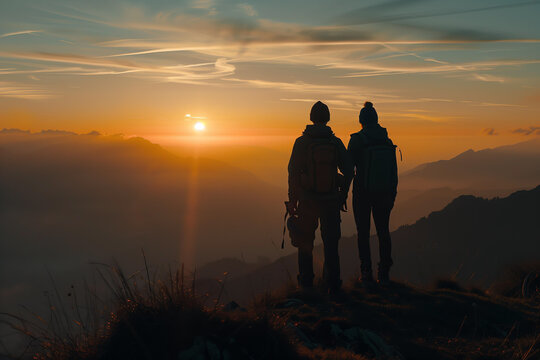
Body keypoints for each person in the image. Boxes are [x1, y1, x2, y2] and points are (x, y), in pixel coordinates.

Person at [287, 101, 353, 293]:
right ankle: (332, 284)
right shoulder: (335, 142)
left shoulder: (302, 142)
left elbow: (292, 172)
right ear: (328, 118)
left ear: (311, 117)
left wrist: (292, 199)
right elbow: (349, 170)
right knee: (331, 243)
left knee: (305, 242)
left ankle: (306, 284)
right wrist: (342, 194)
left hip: (307, 201)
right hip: (331, 200)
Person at [347, 102, 398, 284]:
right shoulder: (387, 141)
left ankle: (366, 273)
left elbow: (347, 170)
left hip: (362, 193)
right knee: (383, 232)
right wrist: (392, 194)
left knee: (363, 233)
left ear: (361, 121)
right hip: (384, 193)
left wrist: (342, 194)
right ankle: (384, 272)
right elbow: (393, 171)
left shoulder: (357, 140)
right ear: (376, 119)